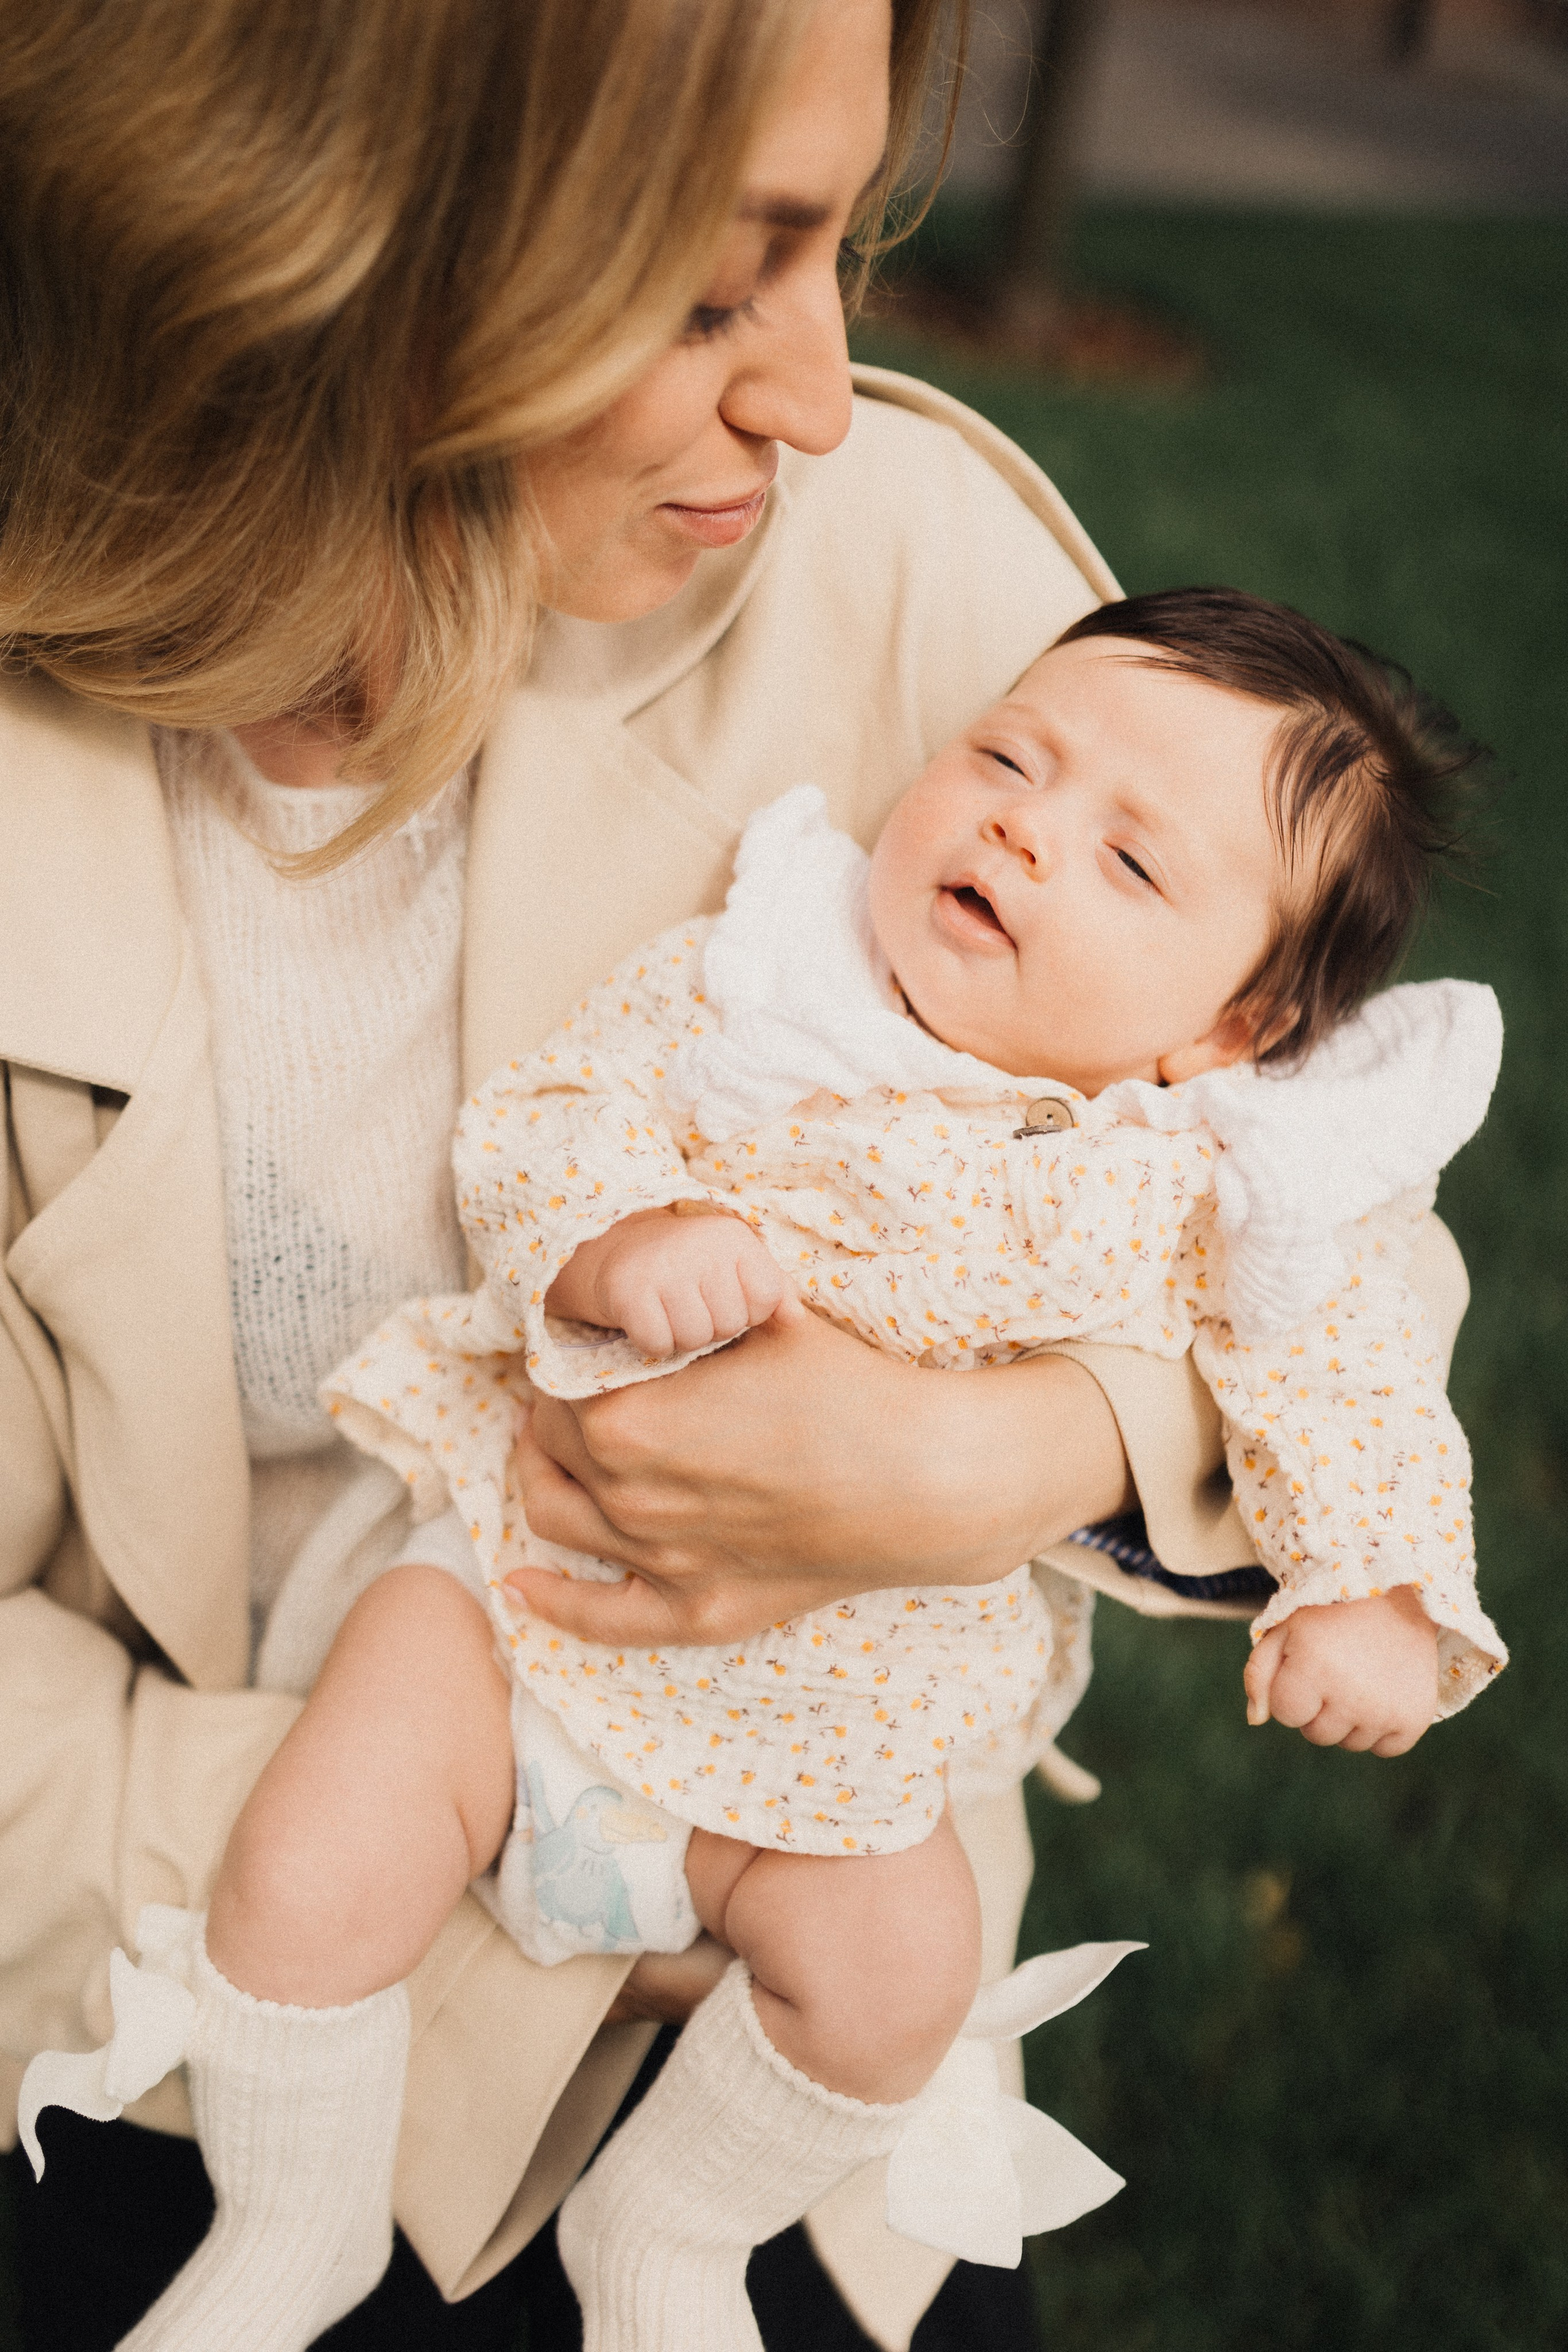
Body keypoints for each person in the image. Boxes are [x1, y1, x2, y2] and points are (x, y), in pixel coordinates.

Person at [0, 2, 1474, 2345]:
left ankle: (675, 2235)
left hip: (794, 1993)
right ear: (305, 258)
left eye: (843, 247)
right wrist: (503, 1862)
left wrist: (1020, 1451)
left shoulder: (900, 570)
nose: (812, 392)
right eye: (710, 285)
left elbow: (1327, 1239)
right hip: (180, 1986)